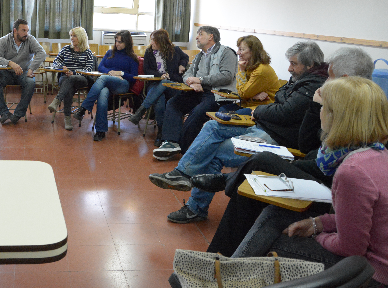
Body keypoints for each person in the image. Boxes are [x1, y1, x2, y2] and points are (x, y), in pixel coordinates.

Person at [197, 47, 376, 257]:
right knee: (249, 188)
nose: (325, 82)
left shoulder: (361, 112)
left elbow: (335, 171)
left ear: (344, 78)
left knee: (262, 163)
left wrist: (291, 167)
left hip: (330, 188)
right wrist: (313, 107)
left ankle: (218, 251)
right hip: (318, 173)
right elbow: (309, 146)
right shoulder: (342, 103)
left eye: (330, 77)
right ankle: (218, 258)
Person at [232, 76, 388, 287]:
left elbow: (351, 249)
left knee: (277, 241)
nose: (319, 112)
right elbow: (358, 219)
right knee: (274, 215)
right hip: (371, 258)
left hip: (372, 273)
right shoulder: (378, 154)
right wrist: (318, 224)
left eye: (322, 107)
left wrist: (318, 236)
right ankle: (227, 274)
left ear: (337, 116)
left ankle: (227, 276)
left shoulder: (353, 171)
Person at [149, 41, 328, 224]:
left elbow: (282, 110)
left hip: (276, 137)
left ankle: (196, 207)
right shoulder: (302, 79)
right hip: (263, 125)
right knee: (212, 126)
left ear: (310, 65)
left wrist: (258, 110)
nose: (288, 68)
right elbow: (278, 100)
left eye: (293, 64)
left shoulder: (312, 85)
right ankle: (182, 173)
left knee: (213, 152)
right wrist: (268, 107)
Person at [152, 26, 237, 159]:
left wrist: (201, 81)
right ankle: (170, 142)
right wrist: (192, 82)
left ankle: (181, 147)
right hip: (197, 91)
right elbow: (187, 74)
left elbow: (227, 76)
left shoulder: (226, 52)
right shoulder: (199, 56)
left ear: (211, 37)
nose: (196, 37)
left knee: (198, 111)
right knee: (174, 103)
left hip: (217, 94)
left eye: (200, 34)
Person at [73, 30, 139, 141]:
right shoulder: (109, 53)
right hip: (108, 81)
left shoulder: (132, 57)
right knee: (103, 92)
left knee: (102, 78)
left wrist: (121, 73)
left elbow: (133, 77)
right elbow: (100, 67)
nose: (117, 44)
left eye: (120, 42)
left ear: (127, 43)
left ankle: (84, 108)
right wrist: (110, 72)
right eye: (116, 41)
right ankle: (100, 131)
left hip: (122, 84)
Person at [127, 29, 189, 146]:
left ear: (162, 42)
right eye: (151, 40)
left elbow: (185, 57)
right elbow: (147, 70)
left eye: (154, 41)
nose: (152, 43)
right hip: (155, 85)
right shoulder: (149, 52)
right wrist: (161, 75)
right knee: (159, 101)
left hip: (173, 86)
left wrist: (182, 65)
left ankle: (142, 110)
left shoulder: (175, 50)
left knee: (165, 83)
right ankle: (161, 132)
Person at [0, 18, 46, 124]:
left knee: (30, 82)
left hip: (24, 72)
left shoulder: (30, 39)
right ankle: (4, 113)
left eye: (27, 30)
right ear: (15, 30)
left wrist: (31, 69)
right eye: (23, 30)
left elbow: (42, 53)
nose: (26, 33)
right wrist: (10, 63)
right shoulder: (4, 40)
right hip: (6, 72)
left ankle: (18, 114)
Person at [46, 26, 95, 130]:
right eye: (71, 36)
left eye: (74, 36)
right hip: (65, 77)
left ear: (81, 37)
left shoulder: (88, 52)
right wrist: (61, 67)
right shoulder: (66, 49)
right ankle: (67, 117)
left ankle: (57, 100)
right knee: (68, 89)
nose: (72, 38)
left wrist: (73, 73)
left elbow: (88, 70)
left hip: (81, 79)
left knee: (71, 79)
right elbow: (55, 62)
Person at [223, 35, 281, 111]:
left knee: (228, 114)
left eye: (242, 49)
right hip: (248, 104)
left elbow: (242, 93)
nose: (237, 52)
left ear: (253, 51)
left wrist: (242, 72)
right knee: (223, 109)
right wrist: (253, 96)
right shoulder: (244, 65)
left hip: (263, 108)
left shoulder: (261, 70)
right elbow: (240, 90)